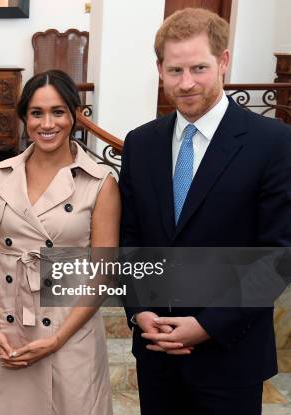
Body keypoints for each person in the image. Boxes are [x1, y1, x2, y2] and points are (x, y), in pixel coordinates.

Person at [119, 8, 291, 415]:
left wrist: (208, 325)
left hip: (230, 357)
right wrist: (139, 309)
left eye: (199, 68)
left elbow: (279, 256)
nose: (187, 83)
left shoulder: (273, 143)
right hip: (155, 352)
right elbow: (130, 239)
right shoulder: (141, 144)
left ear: (224, 62)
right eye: (175, 70)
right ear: (159, 69)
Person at [0, 69, 119, 414]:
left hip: (69, 328)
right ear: (25, 117)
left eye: (58, 112)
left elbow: (103, 272)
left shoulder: (100, 181)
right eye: (37, 113)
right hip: (10, 328)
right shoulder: (2, 174)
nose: (47, 123)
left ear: (74, 115)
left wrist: (58, 338)